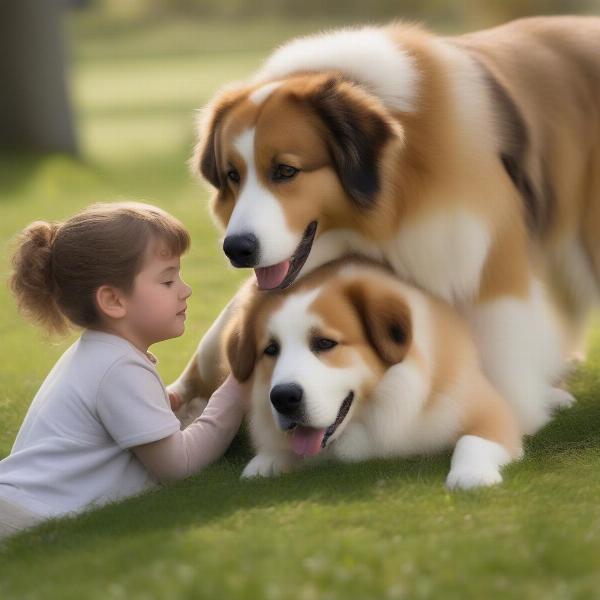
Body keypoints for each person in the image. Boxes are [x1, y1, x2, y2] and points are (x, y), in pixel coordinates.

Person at [0, 202, 246, 541]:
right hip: (23, 522)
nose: (185, 289)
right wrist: (236, 390)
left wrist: (167, 403)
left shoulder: (100, 353)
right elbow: (179, 466)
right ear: (114, 301)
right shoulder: (118, 367)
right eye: (168, 279)